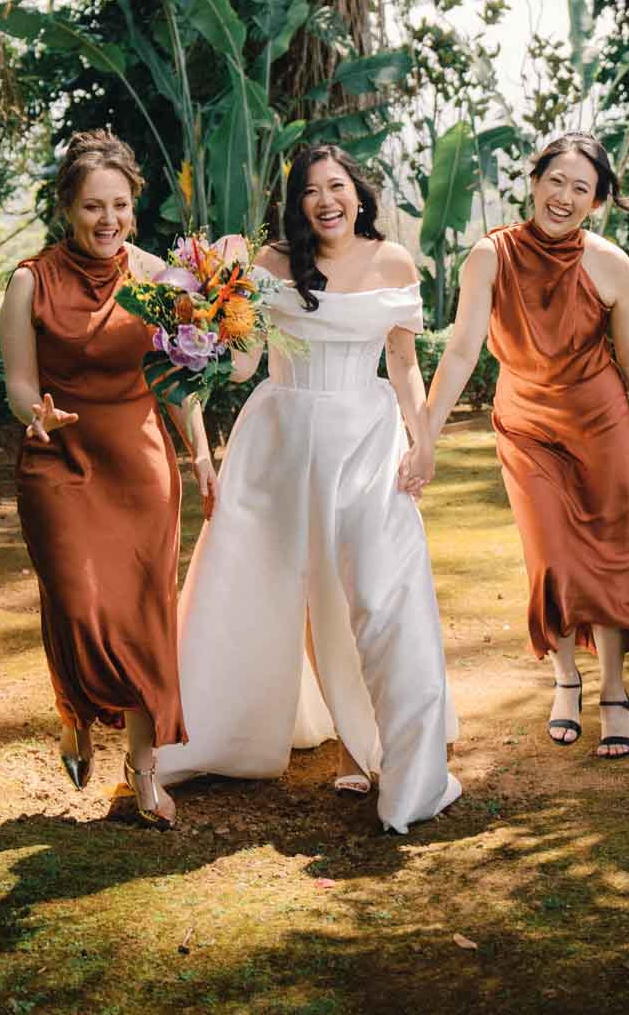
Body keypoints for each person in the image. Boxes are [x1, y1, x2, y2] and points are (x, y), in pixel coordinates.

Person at [158, 144, 461, 834]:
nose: (325, 200)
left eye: (336, 186)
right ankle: (321, 741)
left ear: (358, 192)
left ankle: (397, 754)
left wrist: (423, 438)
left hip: (364, 436)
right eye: (309, 192)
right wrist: (204, 318)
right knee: (278, 587)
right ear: (296, 205)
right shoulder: (268, 266)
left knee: (378, 589)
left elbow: (405, 362)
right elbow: (242, 368)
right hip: (281, 437)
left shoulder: (393, 262)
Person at [405, 134, 629, 758]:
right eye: (555, 181)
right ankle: (565, 677)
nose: (564, 197)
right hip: (527, 425)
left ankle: (614, 688)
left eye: (581, 188)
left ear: (597, 201)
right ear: (534, 181)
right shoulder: (490, 256)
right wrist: (424, 434)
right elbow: (460, 352)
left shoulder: (612, 265)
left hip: (600, 423)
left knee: (610, 551)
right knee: (551, 555)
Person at [0, 129, 217, 827]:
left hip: (139, 464)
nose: (108, 220)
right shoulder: (29, 281)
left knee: (143, 617)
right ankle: (74, 711)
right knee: (77, 605)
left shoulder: (159, 280)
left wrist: (204, 454)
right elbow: (18, 384)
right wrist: (37, 414)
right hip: (59, 460)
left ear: (134, 206)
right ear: (67, 206)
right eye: (93, 206)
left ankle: (145, 770)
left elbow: (179, 380)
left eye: (119, 205)